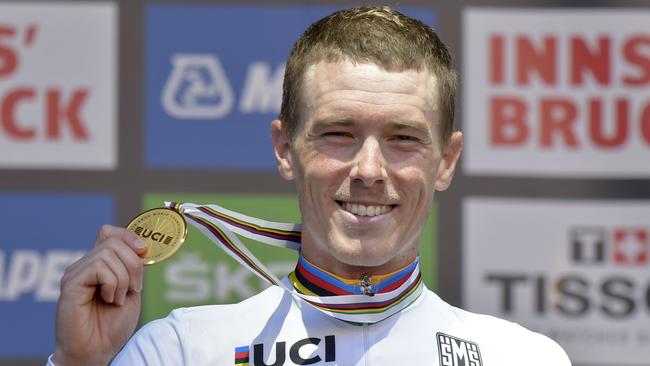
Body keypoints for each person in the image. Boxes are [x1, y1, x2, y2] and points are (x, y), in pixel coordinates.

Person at [50, 6, 572, 366]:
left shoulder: (523, 357)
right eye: (339, 134)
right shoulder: (185, 349)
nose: (369, 170)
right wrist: (79, 364)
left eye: (403, 138)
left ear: (446, 160)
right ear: (284, 148)